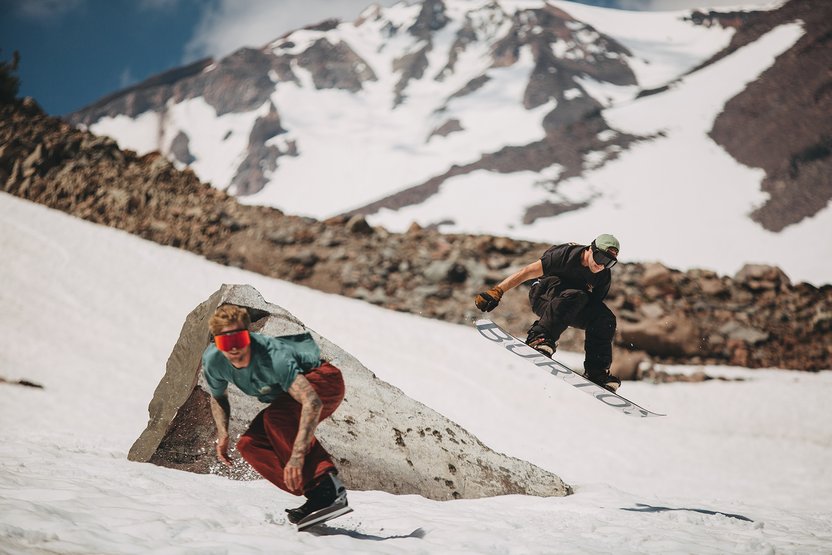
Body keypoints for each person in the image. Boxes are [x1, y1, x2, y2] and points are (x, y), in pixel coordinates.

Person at [201, 303, 350, 526]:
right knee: (250, 444)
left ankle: (328, 488)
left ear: (249, 335)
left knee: (277, 419)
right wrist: (223, 434)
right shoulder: (213, 361)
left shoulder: (272, 356)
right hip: (289, 396)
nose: (234, 350)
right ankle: (315, 493)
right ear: (216, 343)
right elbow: (218, 397)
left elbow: (312, 402)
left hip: (323, 381)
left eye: (239, 340)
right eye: (225, 342)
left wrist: (297, 457)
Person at [474, 234, 622, 392]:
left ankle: (596, 371)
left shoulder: (603, 275)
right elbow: (527, 272)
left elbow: (594, 307)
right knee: (577, 295)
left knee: (605, 318)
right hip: (543, 295)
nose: (602, 265)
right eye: (600, 258)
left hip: (570, 303)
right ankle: (539, 336)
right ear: (590, 249)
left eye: (609, 262)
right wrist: (498, 291)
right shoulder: (565, 255)